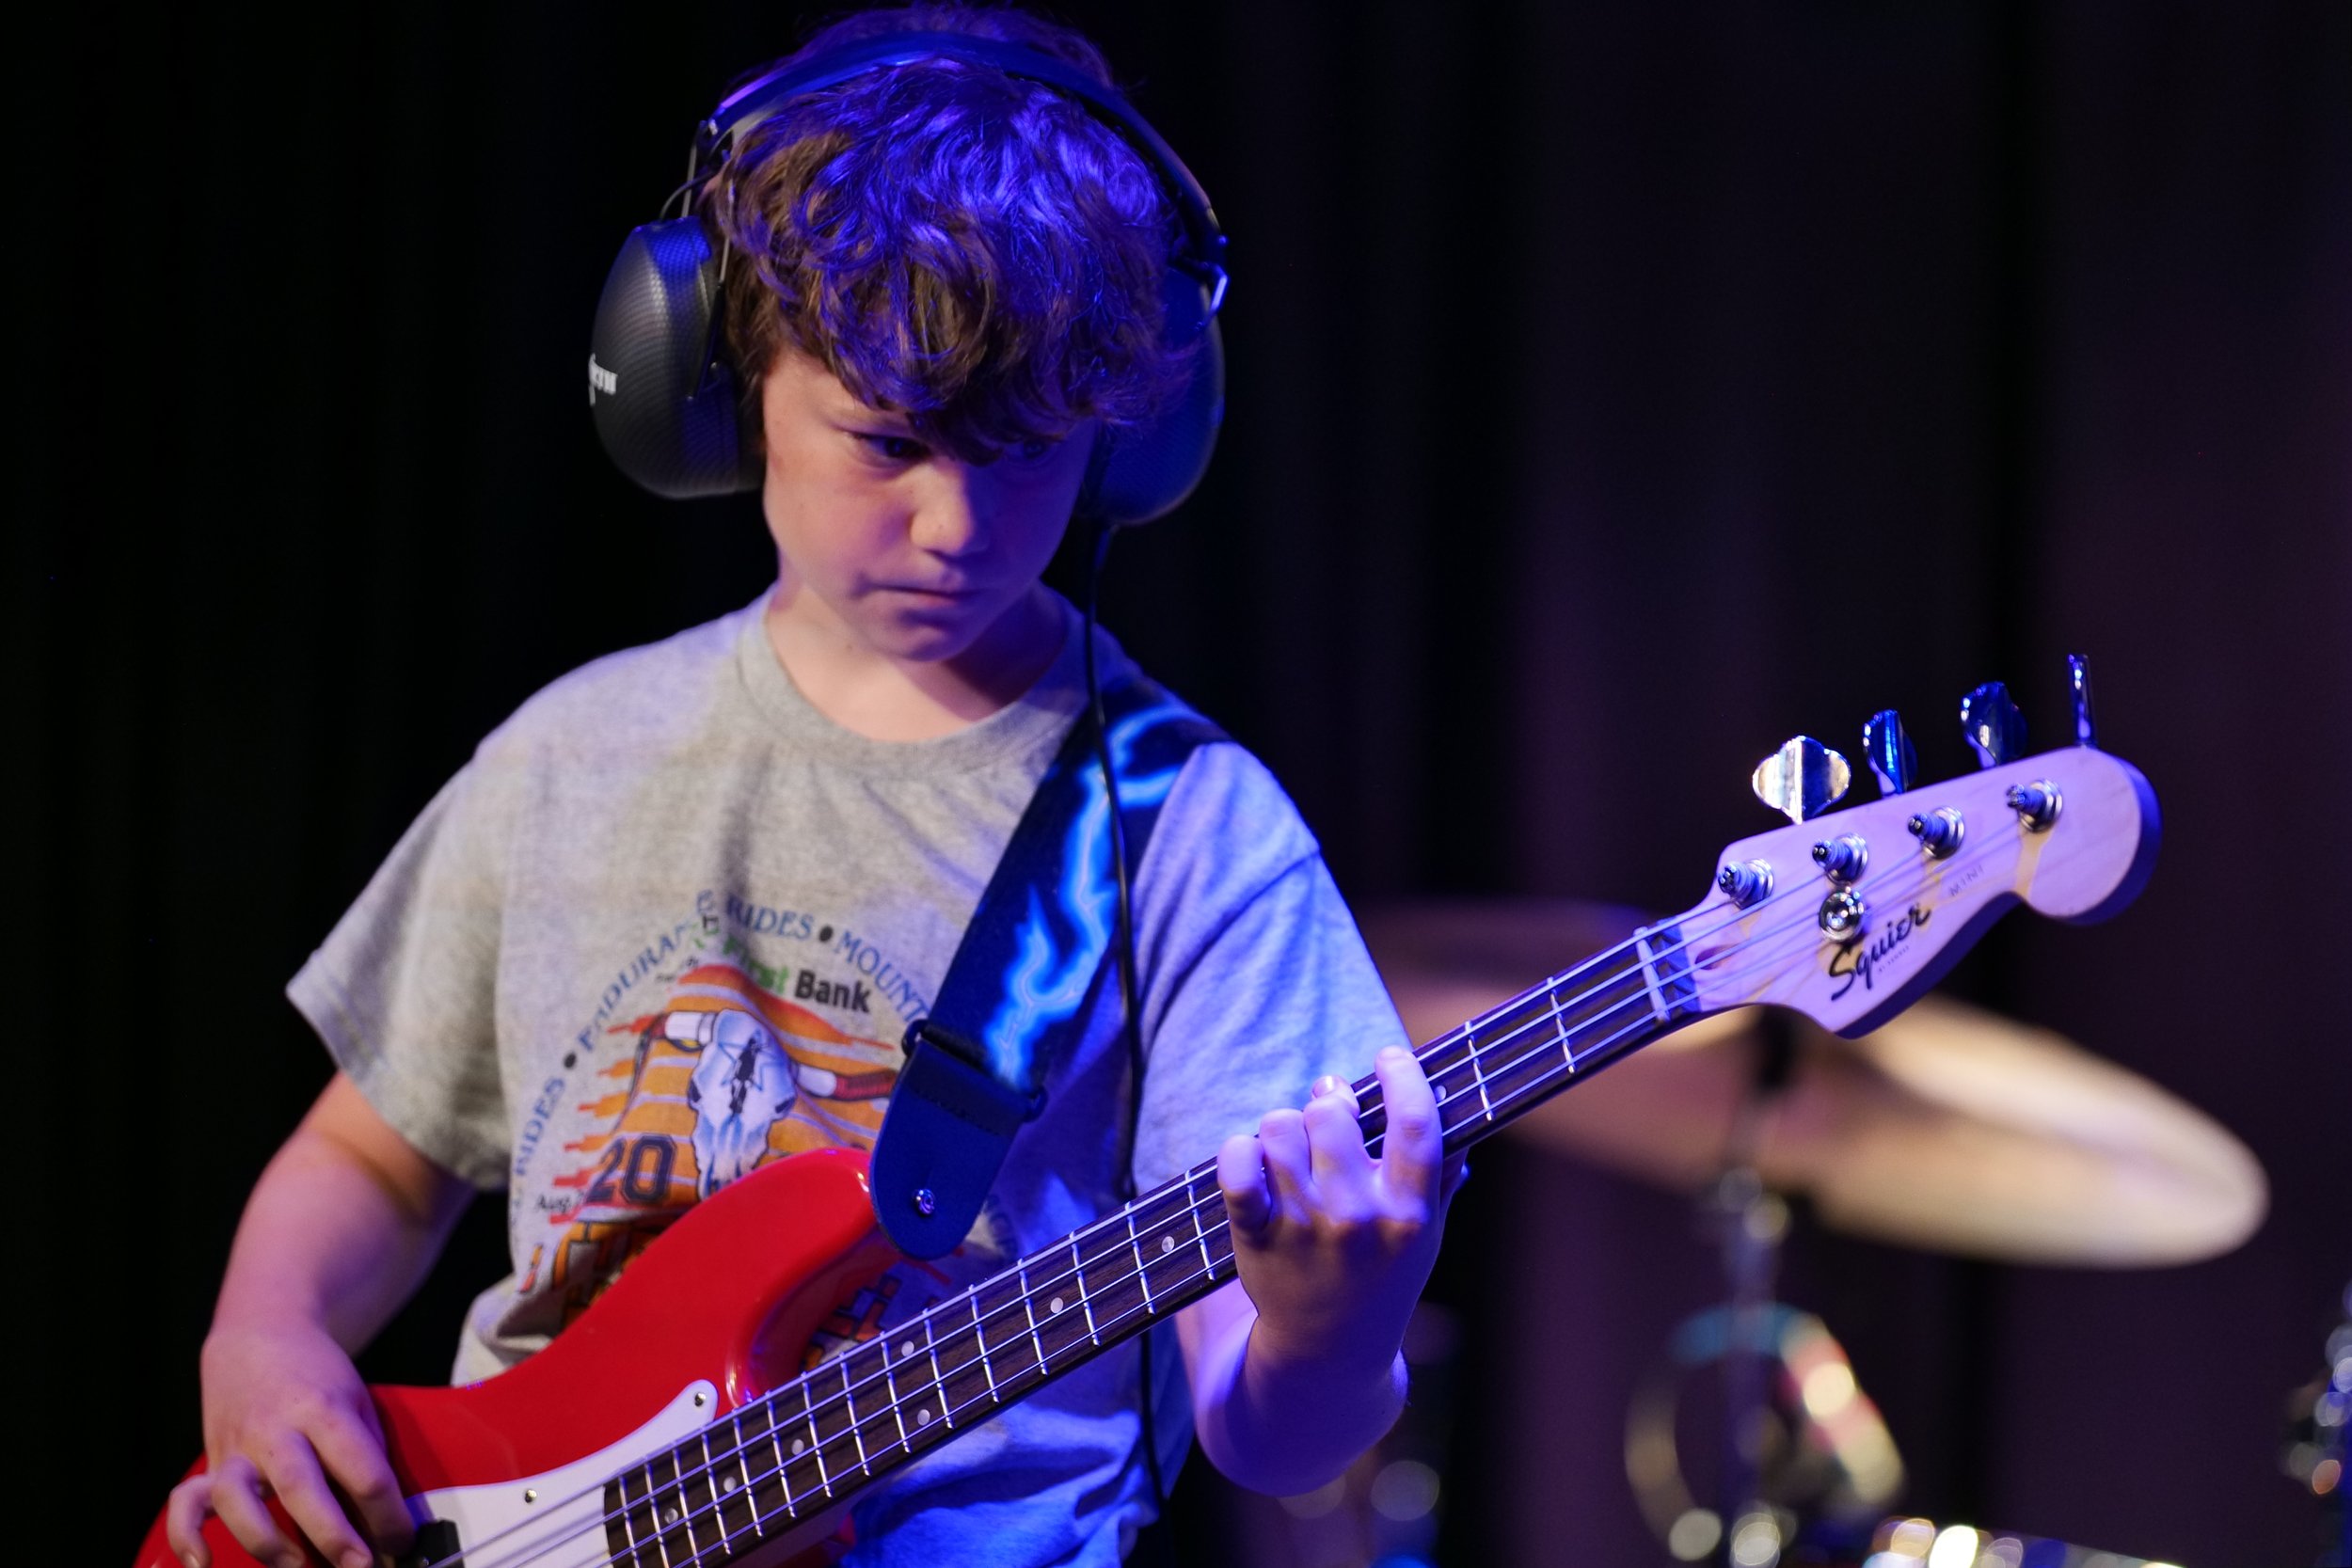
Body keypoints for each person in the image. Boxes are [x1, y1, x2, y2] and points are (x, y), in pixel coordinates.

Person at [165, 8, 1457, 1567]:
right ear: (716, 380)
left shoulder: (1192, 830)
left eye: (1026, 451)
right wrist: (263, 1339)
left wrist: (1332, 1329)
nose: (956, 528)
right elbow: (371, 1159)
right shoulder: (572, 754)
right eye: (888, 441)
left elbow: (1270, 1437)